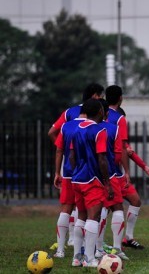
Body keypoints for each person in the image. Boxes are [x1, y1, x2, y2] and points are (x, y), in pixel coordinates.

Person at [48, 83, 105, 250]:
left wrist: (66, 152)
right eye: (100, 96)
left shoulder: (69, 113)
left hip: (69, 169)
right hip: (90, 172)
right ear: (95, 96)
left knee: (68, 208)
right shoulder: (97, 114)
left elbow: (52, 133)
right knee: (90, 211)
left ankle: (63, 247)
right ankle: (92, 247)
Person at [105, 85, 149, 250]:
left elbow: (126, 149)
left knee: (135, 200)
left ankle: (127, 238)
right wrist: (128, 172)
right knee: (105, 208)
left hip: (114, 172)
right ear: (120, 98)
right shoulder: (119, 119)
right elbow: (122, 148)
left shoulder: (98, 115)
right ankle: (100, 246)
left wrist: (144, 166)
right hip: (110, 173)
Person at [70, 99, 113, 267]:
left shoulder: (76, 130)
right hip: (92, 180)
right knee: (93, 217)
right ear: (100, 112)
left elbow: (72, 156)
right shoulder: (99, 131)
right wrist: (107, 183)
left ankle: (76, 258)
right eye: (103, 109)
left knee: (81, 217)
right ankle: (89, 258)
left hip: (77, 179)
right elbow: (102, 159)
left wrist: (76, 172)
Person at [94, 99, 129, 261]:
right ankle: (116, 249)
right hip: (110, 174)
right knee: (117, 209)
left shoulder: (84, 128)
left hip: (89, 177)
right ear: (106, 113)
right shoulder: (113, 129)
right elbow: (117, 154)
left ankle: (97, 249)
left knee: (94, 211)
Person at [52, 110, 86, 258]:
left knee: (65, 209)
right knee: (83, 209)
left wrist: (57, 173)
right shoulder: (92, 126)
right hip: (86, 174)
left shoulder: (66, 126)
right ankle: (83, 248)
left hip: (68, 173)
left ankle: (60, 250)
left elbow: (59, 150)